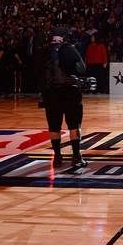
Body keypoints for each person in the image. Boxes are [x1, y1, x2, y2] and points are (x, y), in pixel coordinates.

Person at [41, 28, 88, 168]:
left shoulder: (45, 52)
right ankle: (76, 156)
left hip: (51, 95)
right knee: (74, 126)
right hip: (70, 93)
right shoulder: (70, 49)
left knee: (54, 127)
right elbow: (82, 69)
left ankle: (57, 157)